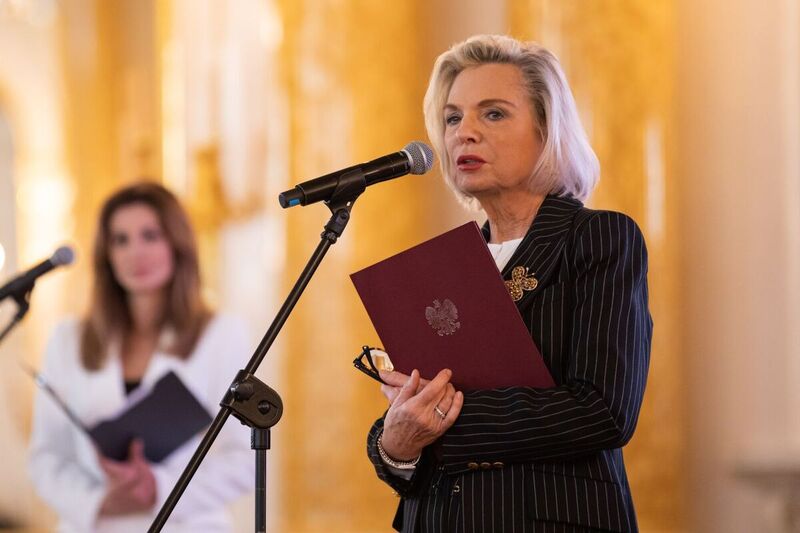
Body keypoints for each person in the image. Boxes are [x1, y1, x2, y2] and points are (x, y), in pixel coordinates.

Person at [366, 35, 652, 532]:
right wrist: (395, 443)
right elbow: (411, 441)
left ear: (547, 130)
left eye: (493, 114)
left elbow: (604, 410)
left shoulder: (598, 238)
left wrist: (442, 416)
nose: (464, 133)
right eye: (453, 118)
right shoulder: (445, 267)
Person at [29, 182, 253, 532]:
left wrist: (158, 489)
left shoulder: (223, 334)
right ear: (107, 255)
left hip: (186, 525)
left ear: (177, 244)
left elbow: (245, 457)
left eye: (150, 235)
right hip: (96, 524)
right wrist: (98, 502)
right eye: (121, 240)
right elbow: (46, 456)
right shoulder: (67, 339)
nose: (136, 252)